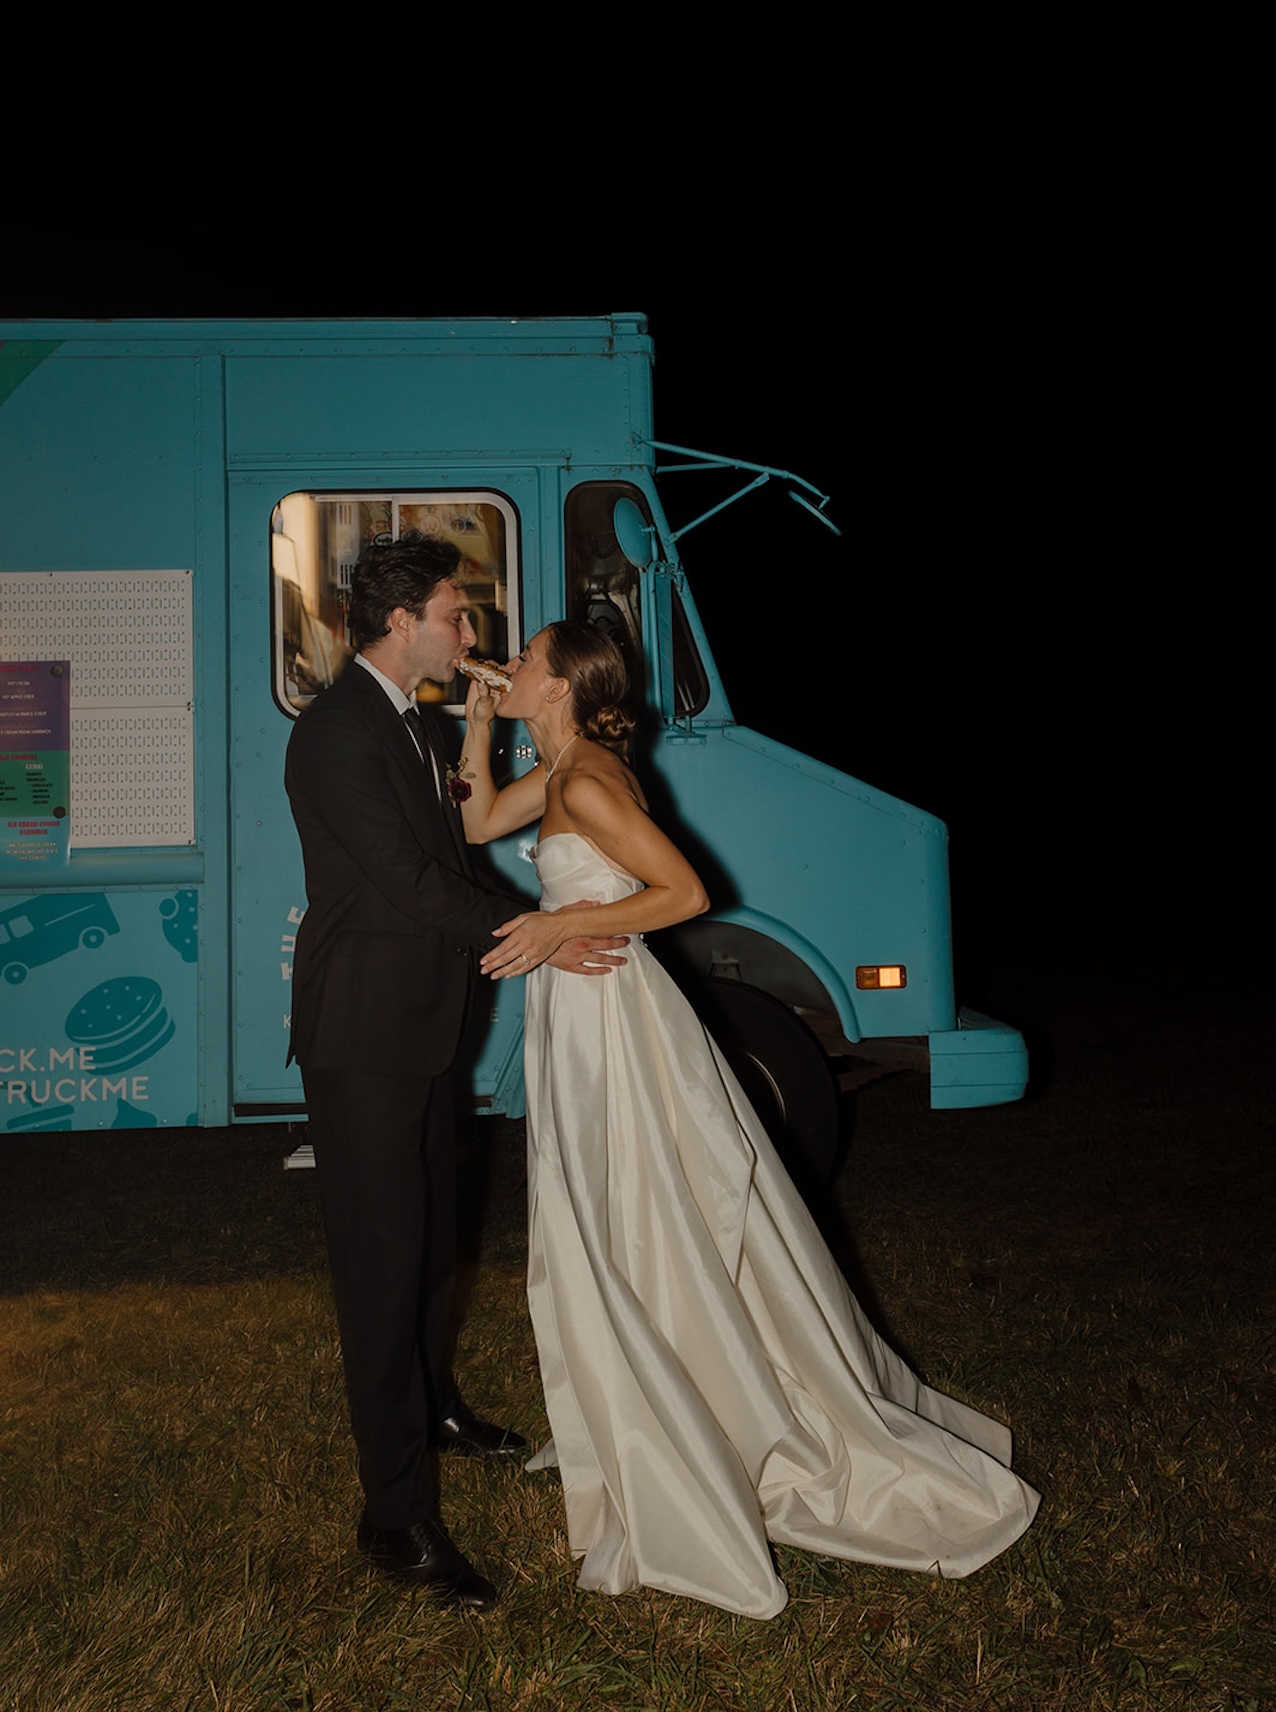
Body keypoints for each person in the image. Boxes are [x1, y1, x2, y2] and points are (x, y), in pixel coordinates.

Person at [458, 621, 1041, 1619]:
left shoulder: (588, 780)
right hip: (578, 1014)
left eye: (521, 663)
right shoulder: (558, 767)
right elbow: (474, 826)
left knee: (629, 1210)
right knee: (603, 1209)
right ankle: (641, 1394)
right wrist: (475, 724)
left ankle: (680, 1412)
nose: (503, 667)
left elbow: (684, 891)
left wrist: (563, 922)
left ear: (557, 685)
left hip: (610, 1018)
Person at [284, 538, 627, 1612]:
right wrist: (540, 932)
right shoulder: (335, 733)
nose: (468, 636)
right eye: (454, 615)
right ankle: (395, 1517)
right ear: (400, 625)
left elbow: (461, 844)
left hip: (430, 1026)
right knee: (381, 1269)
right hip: (365, 1037)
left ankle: (433, 1401)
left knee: (435, 1238)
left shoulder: (421, 722)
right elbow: (404, 885)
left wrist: (481, 729)